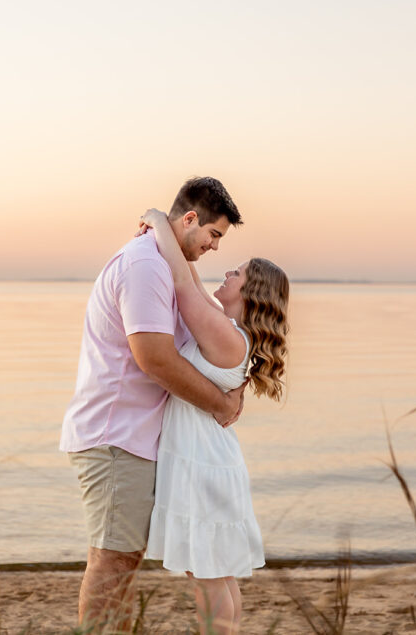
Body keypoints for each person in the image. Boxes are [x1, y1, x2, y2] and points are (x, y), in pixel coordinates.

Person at [60, 177, 246, 632]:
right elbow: (154, 358)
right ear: (189, 220)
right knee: (113, 561)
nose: (215, 247)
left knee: (122, 560)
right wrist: (221, 404)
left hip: (137, 439)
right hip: (116, 436)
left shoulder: (164, 263)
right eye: (213, 234)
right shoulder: (145, 266)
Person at [139, 208, 289, 635]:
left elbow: (186, 287)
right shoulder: (228, 329)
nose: (227, 270)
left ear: (252, 290)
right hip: (205, 460)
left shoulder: (226, 336)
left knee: (208, 577)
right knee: (215, 573)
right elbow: (194, 282)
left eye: (237, 272)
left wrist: (157, 219)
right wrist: (177, 237)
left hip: (202, 464)